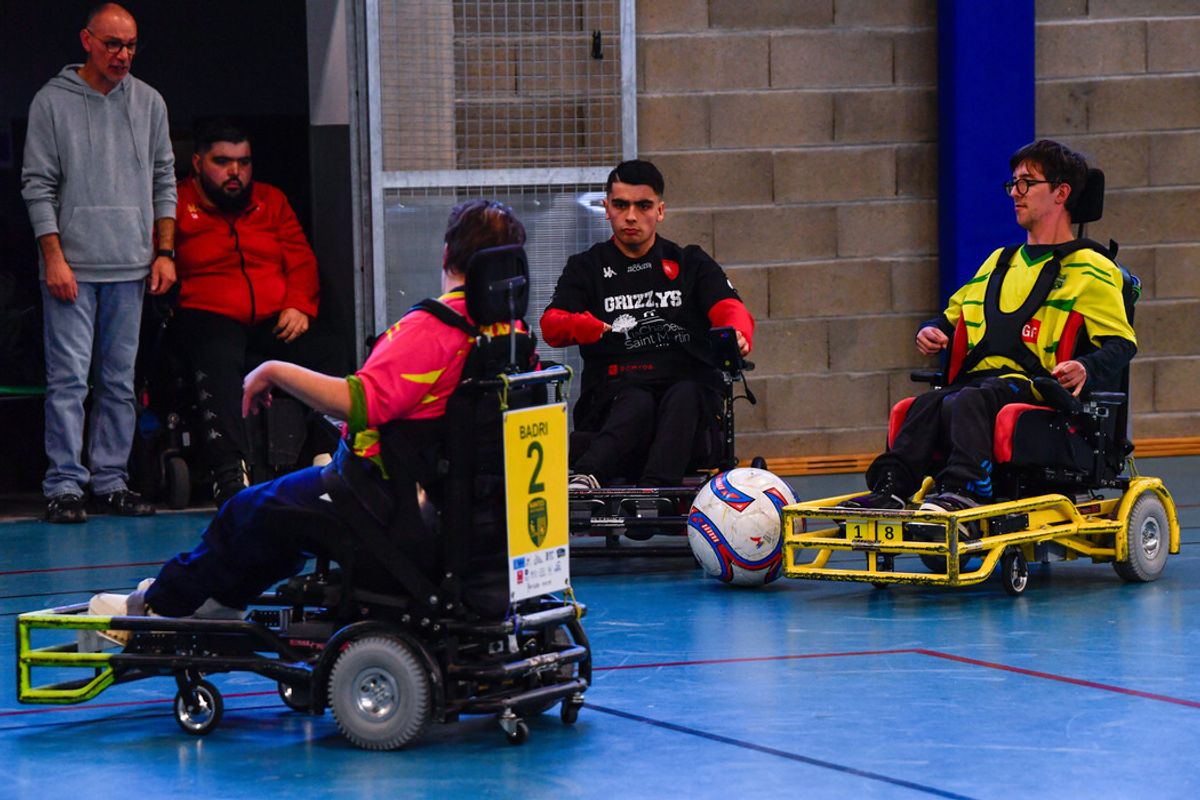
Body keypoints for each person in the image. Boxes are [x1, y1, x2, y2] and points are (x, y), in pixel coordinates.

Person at [90, 199, 527, 620]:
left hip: (379, 495)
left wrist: (275, 370)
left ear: (446, 252)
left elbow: (360, 402)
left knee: (245, 509)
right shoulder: (511, 335)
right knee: (282, 516)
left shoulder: (433, 327)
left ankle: (161, 604)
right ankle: (220, 601)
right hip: (456, 508)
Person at [843, 140, 1137, 518]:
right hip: (983, 384)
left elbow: (1121, 344)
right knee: (925, 404)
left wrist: (1085, 366)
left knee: (971, 399)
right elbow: (952, 315)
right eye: (1013, 184)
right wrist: (931, 330)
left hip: (1038, 390)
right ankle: (892, 490)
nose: (1015, 193)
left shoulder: (1092, 268)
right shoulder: (999, 262)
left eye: (1027, 183)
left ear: (1061, 192)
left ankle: (967, 488)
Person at [21, 2, 176, 523]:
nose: (123, 55)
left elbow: (164, 179)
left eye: (130, 45)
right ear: (87, 40)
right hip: (74, 267)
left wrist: (164, 253)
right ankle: (65, 485)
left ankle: (111, 480)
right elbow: (37, 185)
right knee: (68, 381)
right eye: (112, 44)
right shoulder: (52, 101)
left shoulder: (150, 102)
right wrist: (54, 258)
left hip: (131, 264)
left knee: (119, 381)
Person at [540, 160, 755, 488]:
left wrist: (738, 333)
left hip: (687, 395)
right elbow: (552, 325)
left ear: (660, 211)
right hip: (616, 396)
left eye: (643, 206)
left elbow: (730, 308)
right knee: (637, 401)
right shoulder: (586, 267)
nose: (631, 216)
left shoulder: (690, 262)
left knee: (685, 394)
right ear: (606, 209)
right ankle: (588, 475)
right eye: (620, 205)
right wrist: (591, 326)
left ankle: (653, 494)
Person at [171, 117, 343, 506]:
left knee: (328, 346)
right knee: (214, 350)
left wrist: (299, 304)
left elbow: (300, 259)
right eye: (222, 162)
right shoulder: (176, 203)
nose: (235, 172)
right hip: (209, 314)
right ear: (198, 163)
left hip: (272, 317)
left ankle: (326, 456)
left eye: (244, 162)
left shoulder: (272, 200)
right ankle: (229, 472)